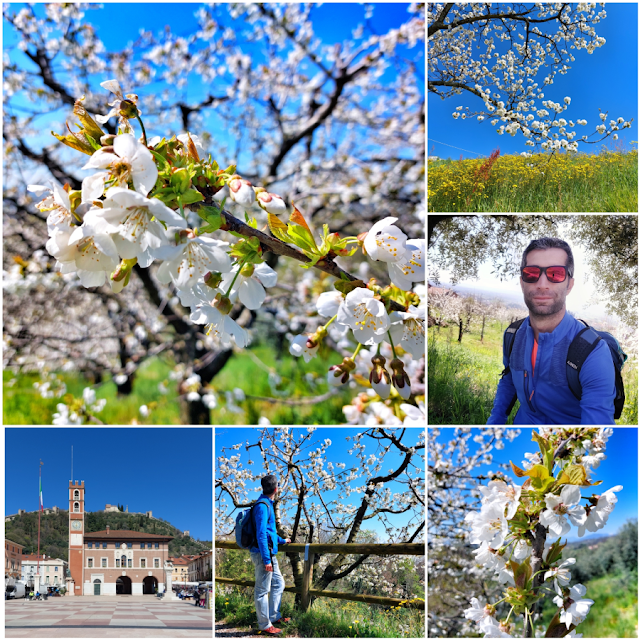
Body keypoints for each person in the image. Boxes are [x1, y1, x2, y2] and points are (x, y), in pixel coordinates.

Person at [487, 237, 616, 425]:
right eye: (531, 273)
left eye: (555, 274)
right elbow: (509, 380)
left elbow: (597, 428)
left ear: (569, 285)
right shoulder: (513, 335)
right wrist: (494, 424)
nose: (542, 284)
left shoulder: (592, 352)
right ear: (522, 282)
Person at [249, 474, 292, 635]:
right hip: (263, 555)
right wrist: (267, 560)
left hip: (269, 554)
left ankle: (274, 616)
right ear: (276, 489)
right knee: (261, 590)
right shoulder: (262, 506)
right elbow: (261, 534)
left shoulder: (267, 504)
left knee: (278, 584)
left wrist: (282, 540)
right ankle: (264, 624)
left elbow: (269, 532)